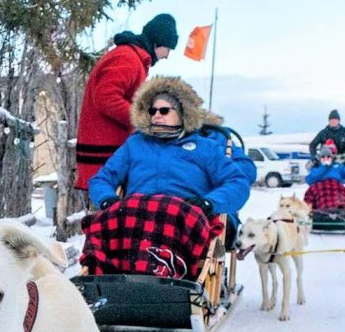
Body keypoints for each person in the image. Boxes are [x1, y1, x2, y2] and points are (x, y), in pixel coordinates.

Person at [83, 76, 254, 279]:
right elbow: (101, 179)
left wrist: (209, 203)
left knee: (170, 213)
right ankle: (102, 280)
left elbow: (238, 182)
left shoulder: (204, 147)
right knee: (101, 223)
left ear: (182, 113)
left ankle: (166, 279)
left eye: (164, 110)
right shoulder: (135, 144)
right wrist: (107, 199)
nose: (157, 115)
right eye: (152, 111)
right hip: (136, 211)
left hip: (183, 212)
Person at [74, 13, 178, 191]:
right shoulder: (127, 58)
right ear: (157, 42)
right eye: (168, 49)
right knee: (109, 216)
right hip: (105, 156)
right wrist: (142, 119)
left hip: (111, 154)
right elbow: (106, 97)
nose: (167, 56)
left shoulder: (134, 59)